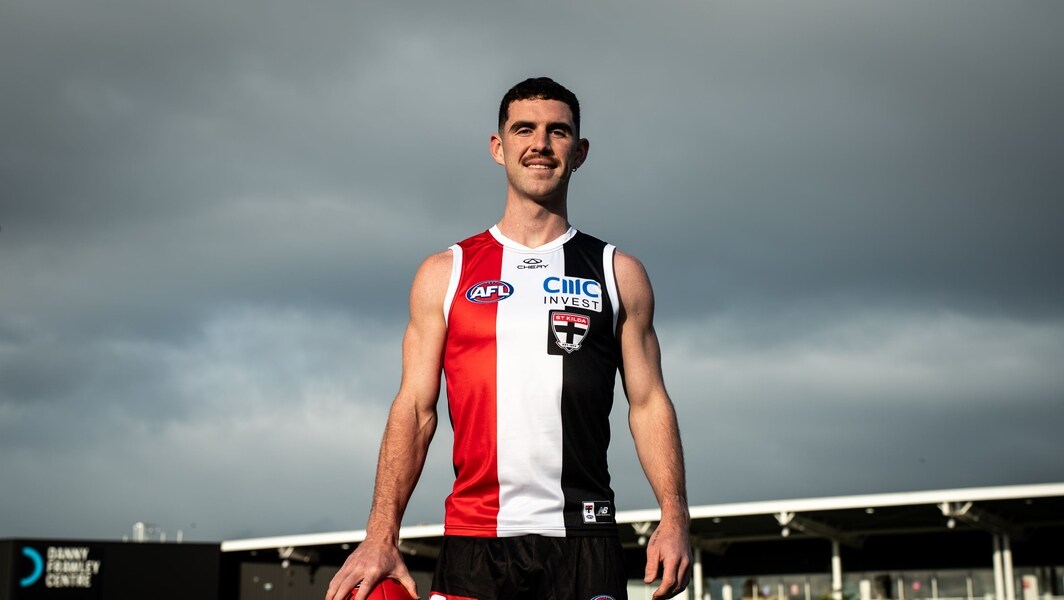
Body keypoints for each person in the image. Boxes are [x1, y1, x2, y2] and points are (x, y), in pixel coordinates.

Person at [326, 77, 691, 600]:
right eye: (524, 130)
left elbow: (649, 402)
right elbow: (415, 409)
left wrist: (675, 517)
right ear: (498, 147)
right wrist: (381, 535)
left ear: (579, 152)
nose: (540, 144)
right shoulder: (445, 273)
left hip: (584, 539)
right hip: (475, 541)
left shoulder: (618, 273)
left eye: (557, 131)